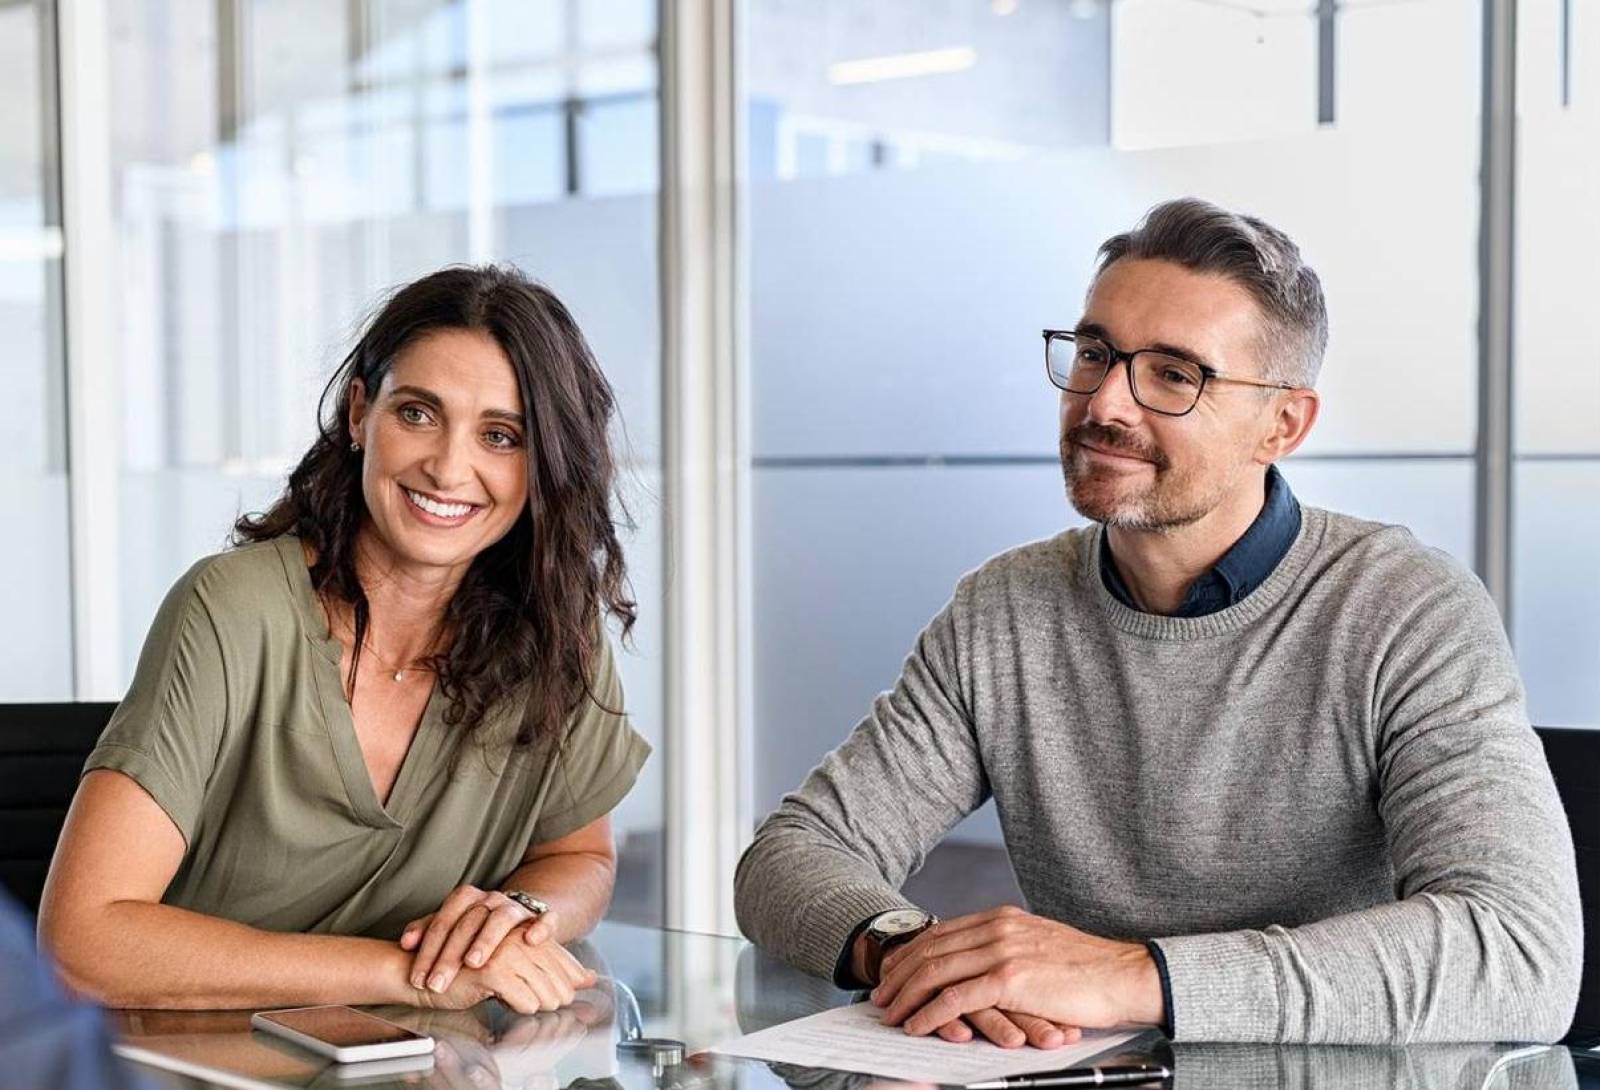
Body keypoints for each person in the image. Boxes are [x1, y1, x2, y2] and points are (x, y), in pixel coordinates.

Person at [733, 198, 1582, 1046]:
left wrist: (1135, 975)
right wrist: (913, 954)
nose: (1105, 404)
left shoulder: (1405, 611)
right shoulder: (1003, 610)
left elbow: (1517, 953)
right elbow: (791, 855)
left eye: (1175, 374)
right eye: (1095, 353)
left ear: (1281, 424)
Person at [39, 265, 650, 1014]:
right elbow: (82, 942)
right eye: (418, 414)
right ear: (360, 414)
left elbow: (578, 854)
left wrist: (519, 914)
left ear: (543, 462)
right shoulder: (232, 609)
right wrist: (408, 976)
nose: (449, 467)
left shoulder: (557, 629)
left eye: (501, 436)